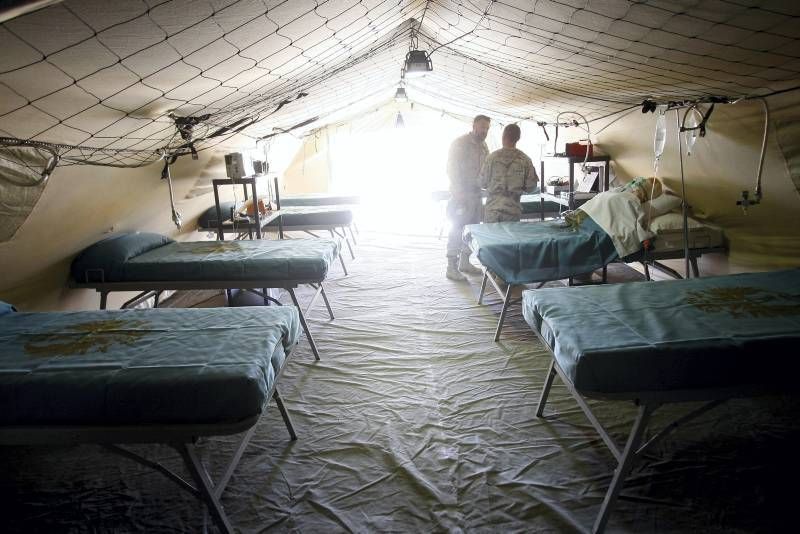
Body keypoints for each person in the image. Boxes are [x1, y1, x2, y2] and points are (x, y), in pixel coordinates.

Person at [445, 115, 490, 281]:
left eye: (487, 128)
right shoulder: (461, 143)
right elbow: (451, 168)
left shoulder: (484, 146)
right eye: (482, 127)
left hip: (476, 194)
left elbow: (486, 168)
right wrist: (458, 192)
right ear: (474, 126)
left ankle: (464, 262)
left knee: (472, 229)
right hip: (461, 194)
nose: (484, 131)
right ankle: (451, 266)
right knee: (457, 228)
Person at [480, 124, 537, 223]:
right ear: (518, 138)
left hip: (492, 211)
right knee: (508, 238)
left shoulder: (491, 158)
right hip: (512, 212)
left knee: (491, 238)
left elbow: (482, 182)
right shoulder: (525, 160)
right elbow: (531, 187)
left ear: (503, 136)